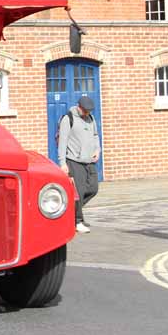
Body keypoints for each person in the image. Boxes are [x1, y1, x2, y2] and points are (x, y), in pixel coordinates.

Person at [57, 95, 101, 233]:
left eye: (89, 111)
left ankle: (71, 214)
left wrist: (97, 150)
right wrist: (62, 163)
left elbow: (95, 135)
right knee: (79, 192)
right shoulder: (67, 119)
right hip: (74, 160)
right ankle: (77, 221)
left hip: (89, 160)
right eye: (85, 110)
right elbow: (62, 141)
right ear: (78, 106)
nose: (87, 113)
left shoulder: (91, 118)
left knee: (93, 189)